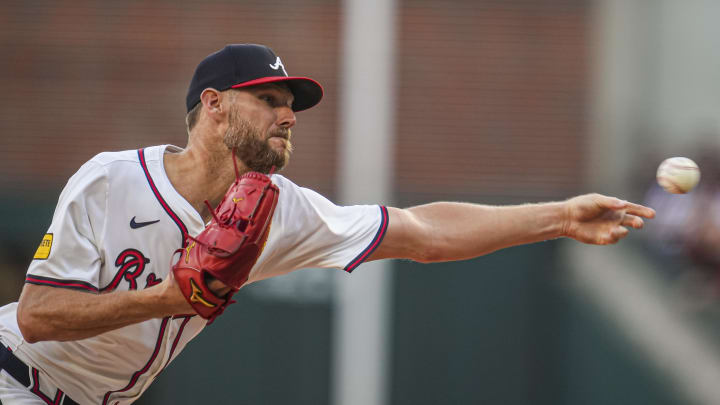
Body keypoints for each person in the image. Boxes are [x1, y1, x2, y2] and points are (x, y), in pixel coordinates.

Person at [0, 44, 655, 404]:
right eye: (269, 100)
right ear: (214, 105)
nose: (288, 116)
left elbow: (422, 232)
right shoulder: (111, 178)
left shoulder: (281, 209)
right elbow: (37, 315)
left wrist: (559, 216)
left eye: (292, 105)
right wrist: (167, 298)